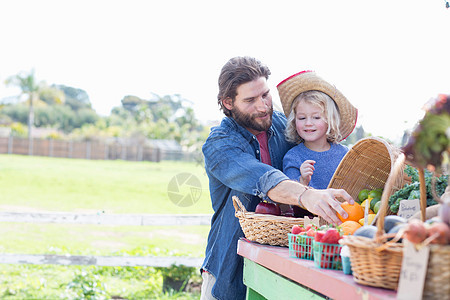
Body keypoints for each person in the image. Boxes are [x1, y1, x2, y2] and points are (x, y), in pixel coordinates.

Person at [200, 57, 354, 300]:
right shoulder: (220, 146)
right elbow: (263, 177)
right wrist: (307, 195)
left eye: (265, 95)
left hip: (283, 265)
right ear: (228, 103)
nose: (263, 106)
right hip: (229, 267)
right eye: (250, 100)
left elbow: (321, 145)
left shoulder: (285, 126)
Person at [277, 71, 358, 189]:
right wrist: (303, 180)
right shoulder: (293, 157)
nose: (308, 123)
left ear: (330, 120)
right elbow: (290, 197)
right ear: (294, 121)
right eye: (302, 118)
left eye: (316, 117)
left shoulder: (345, 154)